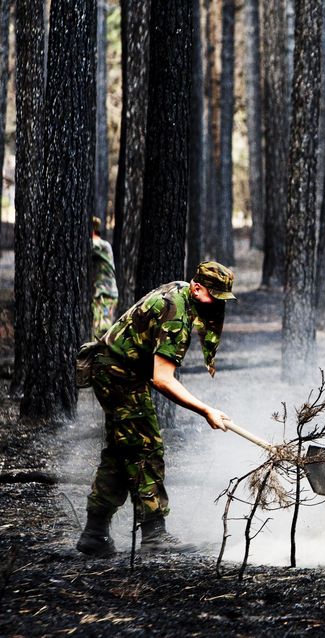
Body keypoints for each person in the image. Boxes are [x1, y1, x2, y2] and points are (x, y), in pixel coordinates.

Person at [76, 261, 237, 557]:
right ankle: (154, 535)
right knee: (145, 449)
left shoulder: (183, 293)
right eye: (212, 296)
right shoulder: (175, 313)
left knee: (120, 452)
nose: (215, 304)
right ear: (197, 287)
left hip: (115, 370)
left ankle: (94, 534)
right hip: (117, 374)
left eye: (221, 298)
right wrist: (206, 411)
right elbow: (162, 379)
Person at [90, 217, 119, 339]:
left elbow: (93, 244)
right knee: (97, 329)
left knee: (103, 329)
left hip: (106, 294)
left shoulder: (103, 246)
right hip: (101, 294)